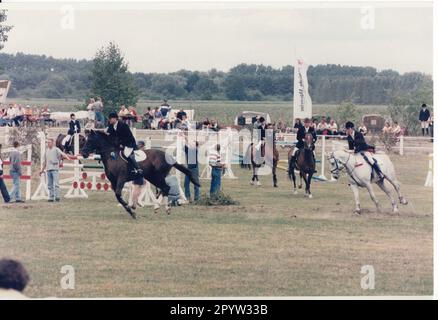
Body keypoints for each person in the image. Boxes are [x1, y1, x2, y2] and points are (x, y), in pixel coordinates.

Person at [130, 140, 147, 207]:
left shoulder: (135, 152)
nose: (144, 148)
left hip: (136, 171)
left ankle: (135, 201)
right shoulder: (140, 153)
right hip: (138, 171)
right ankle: (134, 203)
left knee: (138, 187)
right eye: (144, 147)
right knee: (137, 187)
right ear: (141, 146)